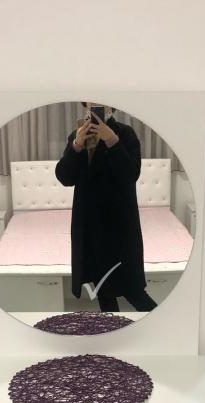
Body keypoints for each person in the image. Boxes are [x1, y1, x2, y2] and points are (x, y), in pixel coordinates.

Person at [55, 102, 157, 312]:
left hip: (119, 224)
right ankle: (113, 330)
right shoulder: (78, 134)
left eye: (102, 101)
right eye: (92, 101)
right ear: (86, 104)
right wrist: (76, 145)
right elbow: (65, 177)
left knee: (134, 290)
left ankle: (163, 325)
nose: (97, 104)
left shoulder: (125, 134)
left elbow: (130, 175)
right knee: (102, 290)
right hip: (89, 224)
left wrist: (112, 140)